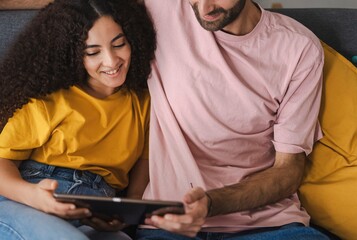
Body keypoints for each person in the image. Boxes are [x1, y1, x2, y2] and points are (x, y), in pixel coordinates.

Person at [5, 0, 329, 239]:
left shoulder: (298, 49)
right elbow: (83, 12)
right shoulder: (162, 9)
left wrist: (206, 204)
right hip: (162, 223)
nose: (203, 6)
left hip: (267, 224)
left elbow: (289, 170)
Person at [0, 0, 156, 239]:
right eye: (93, 52)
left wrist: (124, 216)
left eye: (119, 44)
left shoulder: (143, 102)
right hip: (25, 200)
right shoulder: (49, 101)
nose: (112, 61)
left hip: (93, 209)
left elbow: (141, 173)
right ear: (73, 54)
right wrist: (35, 197)